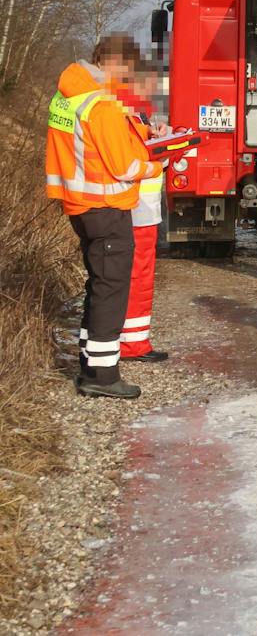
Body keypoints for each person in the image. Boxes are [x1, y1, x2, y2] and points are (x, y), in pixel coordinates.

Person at [45, 34, 165, 399]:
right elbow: (124, 166)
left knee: (98, 284)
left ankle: (90, 364)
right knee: (111, 289)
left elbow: (96, 145)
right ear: (116, 64)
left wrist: (142, 131)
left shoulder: (70, 96)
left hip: (80, 205)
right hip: (106, 208)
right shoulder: (102, 106)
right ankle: (103, 376)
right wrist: (158, 161)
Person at [117, 60, 169, 363]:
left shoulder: (133, 113)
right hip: (136, 210)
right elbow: (129, 163)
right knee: (136, 276)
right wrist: (159, 159)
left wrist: (157, 135)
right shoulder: (121, 113)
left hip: (141, 210)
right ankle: (132, 345)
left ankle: (135, 341)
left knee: (138, 276)